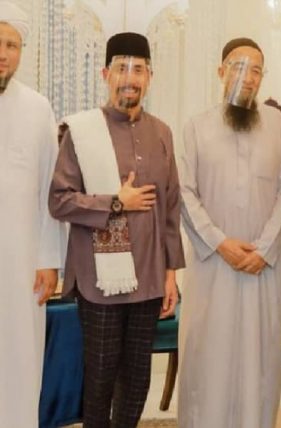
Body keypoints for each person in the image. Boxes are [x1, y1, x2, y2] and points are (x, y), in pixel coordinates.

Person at [49, 32, 185, 427]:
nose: (130, 78)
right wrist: (115, 202)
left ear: (149, 77)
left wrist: (171, 273)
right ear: (105, 74)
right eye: (122, 68)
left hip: (149, 279)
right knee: (100, 379)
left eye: (138, 69)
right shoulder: (81, 132)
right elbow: (59, 201)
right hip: (99, 281)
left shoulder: (162, 132)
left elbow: (170, 206)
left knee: (138, 378)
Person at [178, 37, 281, 428]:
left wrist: (264, 249)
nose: (248, 76)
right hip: (213, 266)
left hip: (263, 267)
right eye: (239, 66)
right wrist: (220, 243)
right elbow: (184, 193)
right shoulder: (196, 127)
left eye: (256, 69)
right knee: (208, 354)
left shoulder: (277, 125)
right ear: (221, 71)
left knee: (259, 357)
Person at [0, 2, 64, 426]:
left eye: (12, 45)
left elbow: (50, 191)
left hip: (22, 264)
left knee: (20, 356)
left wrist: (49, 260)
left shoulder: (38, 108)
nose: (3, 53)